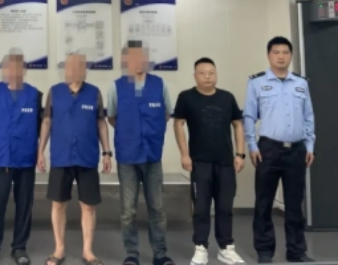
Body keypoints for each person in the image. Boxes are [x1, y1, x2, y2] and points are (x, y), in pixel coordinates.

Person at [244, 36, 316, 264]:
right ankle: (265, 251)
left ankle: (296, 251)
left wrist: (309, 145)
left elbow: (308, 117)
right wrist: (252, 145)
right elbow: (249, 116)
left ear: (291, 56)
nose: (281, 56)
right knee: (264, 202)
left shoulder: (301, 83)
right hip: (268, 149)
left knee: (294, 204)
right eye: (276, 52)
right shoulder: (256, 83)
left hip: (296, 150)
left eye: (285, 52)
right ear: (269, 55)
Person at [38, 53, 112, 265]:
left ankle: (88, 251)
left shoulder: (94, 93)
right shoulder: (54, 92)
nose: (74, 69)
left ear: (84, 69)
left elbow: (101, 123)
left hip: (87, 157)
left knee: (88, 206)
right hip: (61, 157)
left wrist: (107, 152)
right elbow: (47, 121)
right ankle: (59, 249)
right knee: (58, 204)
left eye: (79, 65)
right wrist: (40, 151)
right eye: (70, 65)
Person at [107, 41, 174, 265]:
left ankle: (160, 253)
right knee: (128, 211)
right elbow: (112, 117)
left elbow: (167, 113)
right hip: (127, 157)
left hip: (153, 156)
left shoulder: (160, 84)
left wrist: (150, 133)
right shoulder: (116, 87)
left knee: (157, 208)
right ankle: (132, 254)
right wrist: (131, 133)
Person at [173, 58, 245, 265]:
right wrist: (184, 154)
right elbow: (178, 124)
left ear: (216, 74)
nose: (207, 76)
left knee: (225, 207)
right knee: (201, 207)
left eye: (211, 72)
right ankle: (201, 247)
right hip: (200, 163)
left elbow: (238, 125)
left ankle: (226, 248)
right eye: (202, 73)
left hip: (225, 163)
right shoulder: (186, 97)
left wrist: (240, 154)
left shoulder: (227, 97)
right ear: (195, 76)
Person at [0, 50, 43, 265]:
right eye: (9, 66)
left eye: (18, 66)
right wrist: (1, 143)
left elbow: (39, 126)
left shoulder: (35, 95)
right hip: (0, 158)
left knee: (24, 205)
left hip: (25, 159)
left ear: (24, 70)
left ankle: (19, 247)